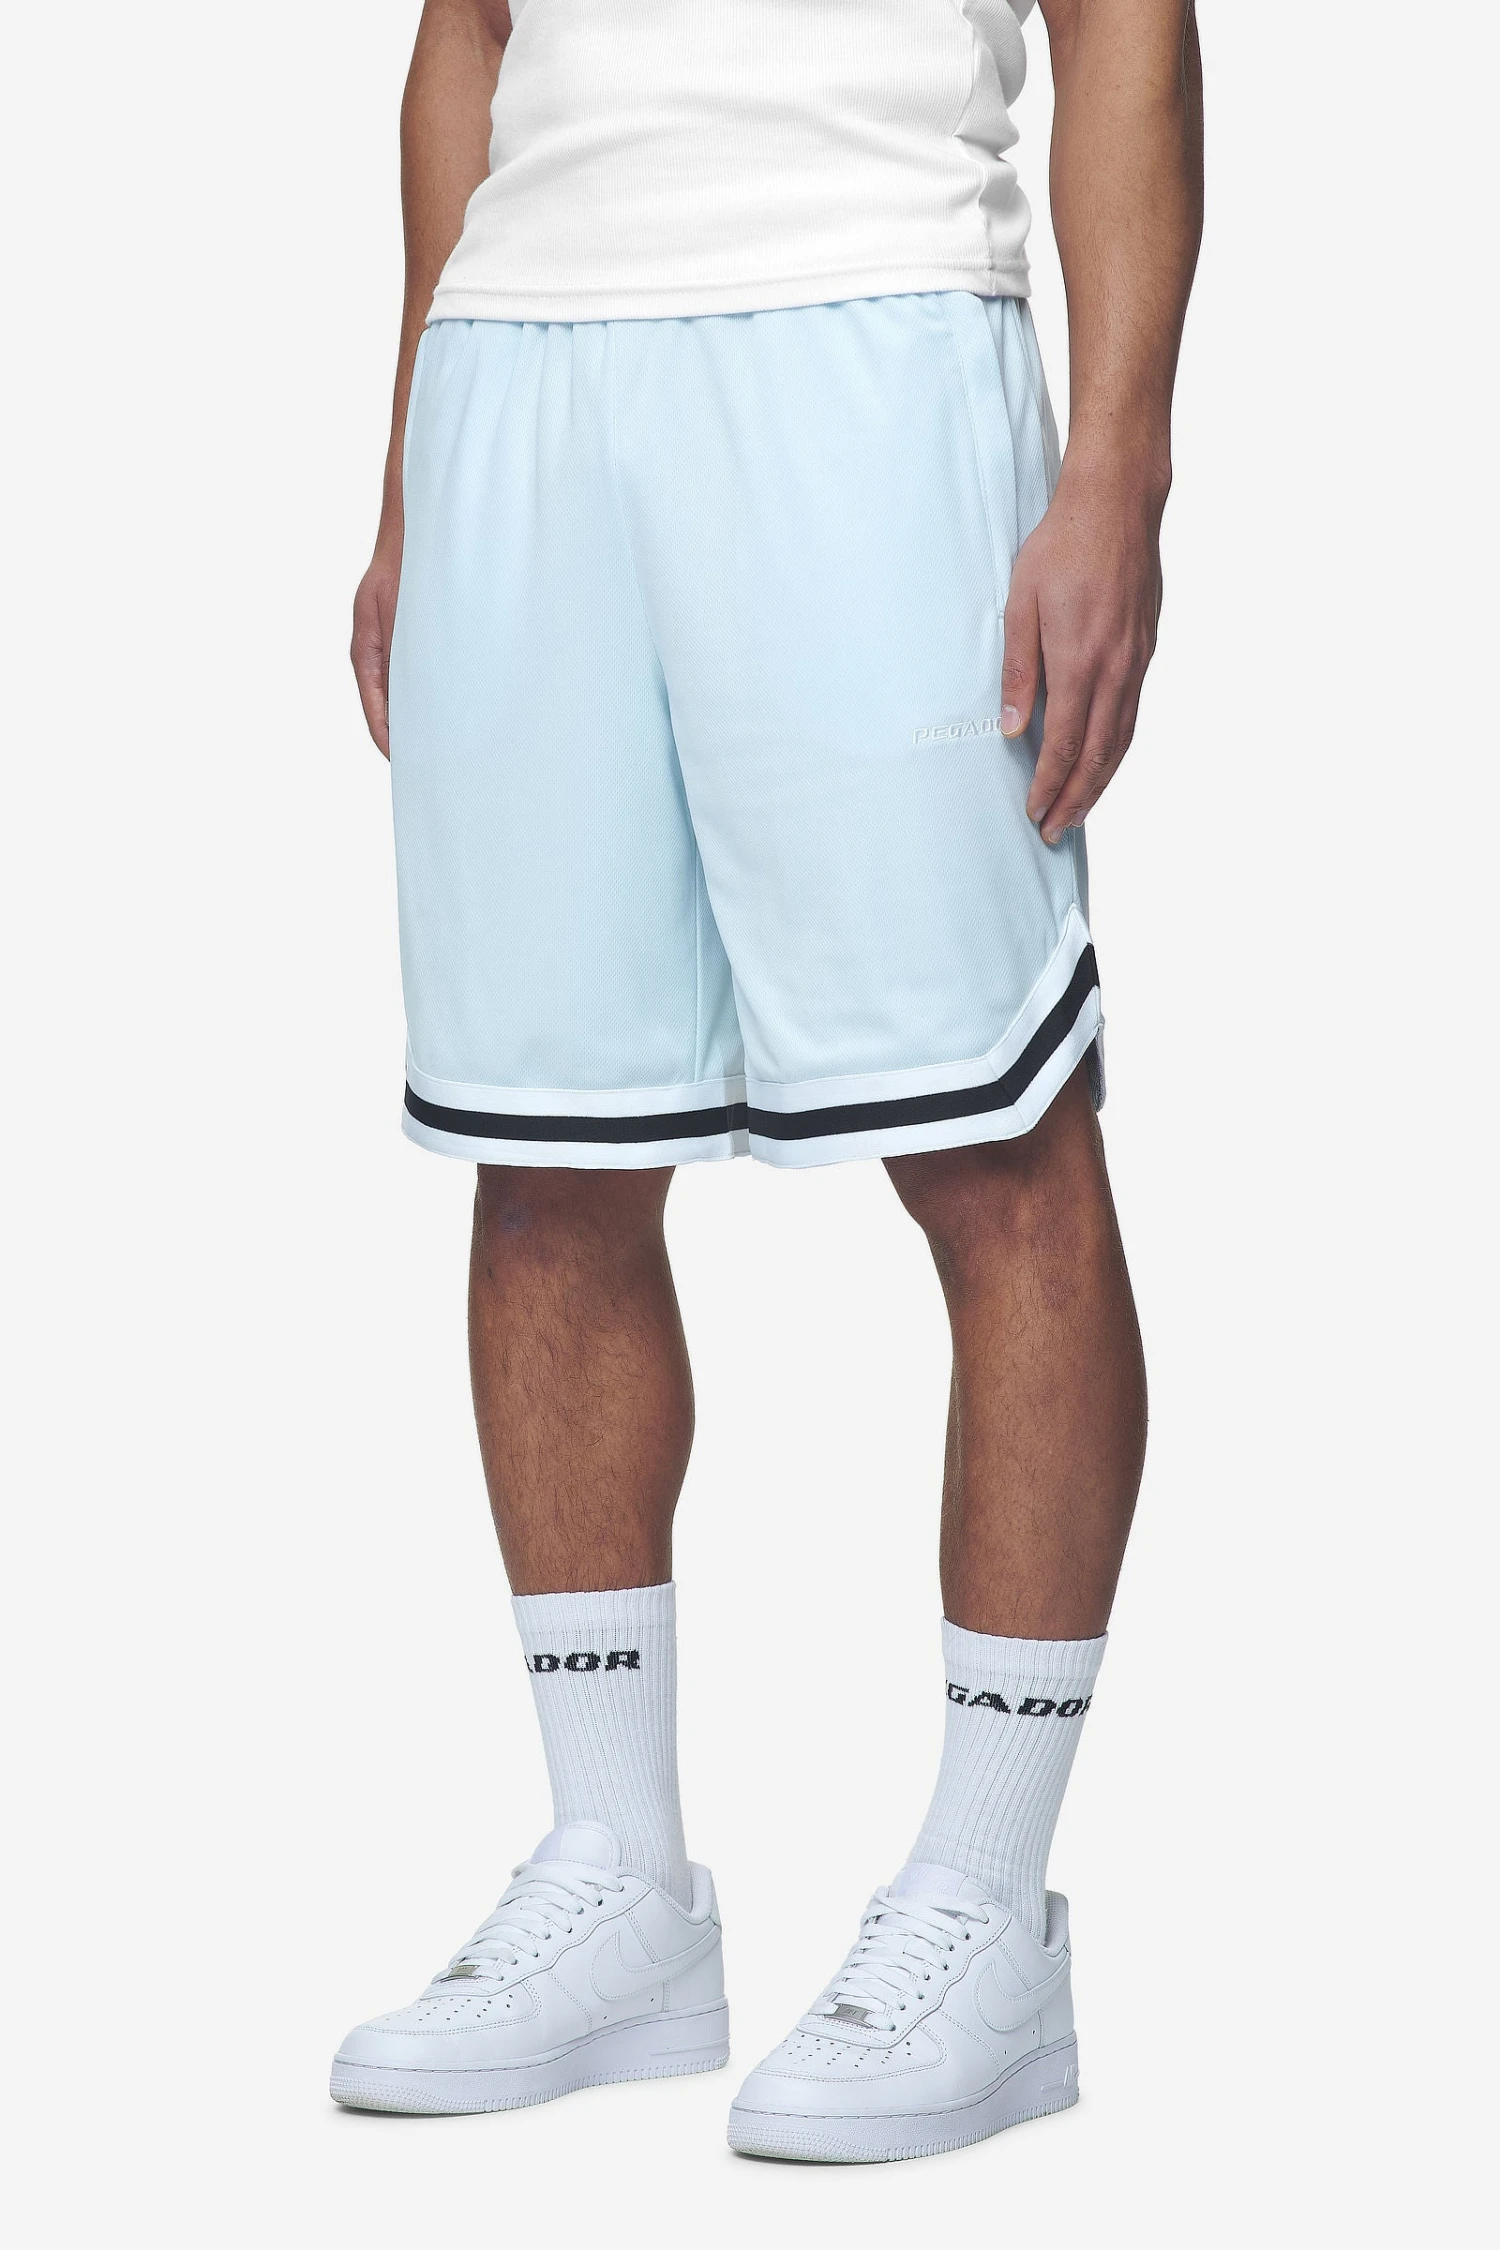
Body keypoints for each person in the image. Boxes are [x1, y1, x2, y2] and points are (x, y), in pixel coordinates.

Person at [332, 0, 1202, 2164]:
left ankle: (986, 1905)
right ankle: (617, 1876)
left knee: (993, 1140)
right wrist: (413, 452)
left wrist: (1117, 459)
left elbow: (1126, 21)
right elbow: (464, 37)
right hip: (527, 361)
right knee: (544, 1150)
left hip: (868, 326)